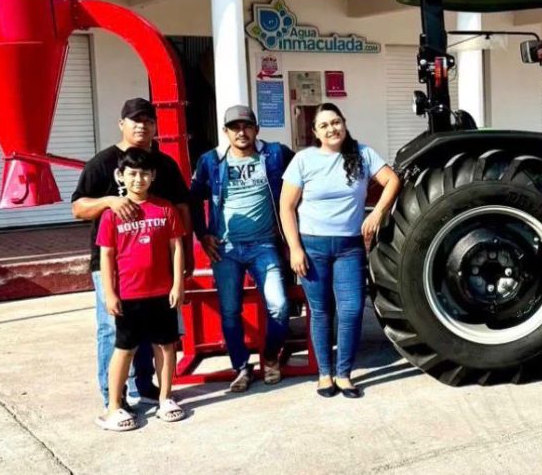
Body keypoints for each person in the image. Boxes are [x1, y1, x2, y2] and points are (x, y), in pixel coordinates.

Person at [72, 98, 191, 411]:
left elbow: (181, 208)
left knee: (154, 331)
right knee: (112, 327)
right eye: (134, 120)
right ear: (121, 124)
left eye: (148, 120)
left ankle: (146, 387)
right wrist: (109, 202)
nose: (142, 126)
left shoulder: (164, 165)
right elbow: (78, 207)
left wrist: (186, 258)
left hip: (157, 266)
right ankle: (113, 396)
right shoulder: (102, 163)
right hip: (110, 263)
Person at [279, 104, 401, 399]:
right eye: (324, 125)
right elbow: (286, 206)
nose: (332, 129)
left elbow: (392, 181)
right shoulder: (304, 160)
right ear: (315, 132)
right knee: (321, 312)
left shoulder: (362, 154)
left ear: (344, 123)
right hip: (312, 247)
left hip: (349, 247)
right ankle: (325, 374)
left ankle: (344, 374)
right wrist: (295, 249)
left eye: (336, 122)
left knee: (352, 309)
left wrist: (376, 214)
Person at [190, 105, 295, 393]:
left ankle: (271, 357)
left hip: (265, 245)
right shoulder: (211, 161)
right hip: (226, 249)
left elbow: (302, 181)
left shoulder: (275, 155)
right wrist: (203, 234)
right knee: (230, 311)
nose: (241, 132)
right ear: (225, 132)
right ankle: (241, 367)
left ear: (256, 129)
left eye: (246, 126)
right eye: (234, 127)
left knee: (280, 306)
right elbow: (193, 198)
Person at [95, 148, 187, 431]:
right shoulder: (112, 215)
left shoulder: (165, 208)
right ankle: (113, 407)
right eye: (132, 174)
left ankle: (165, 398)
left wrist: (178, 284)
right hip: (129, 295)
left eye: (144, 173)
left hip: (162, 293)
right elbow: (107, 256)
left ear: (153, 176)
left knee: (166, 345)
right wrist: (110, 294)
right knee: (124, 349)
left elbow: (176, 248)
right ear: (121, 176)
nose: (139, 179)